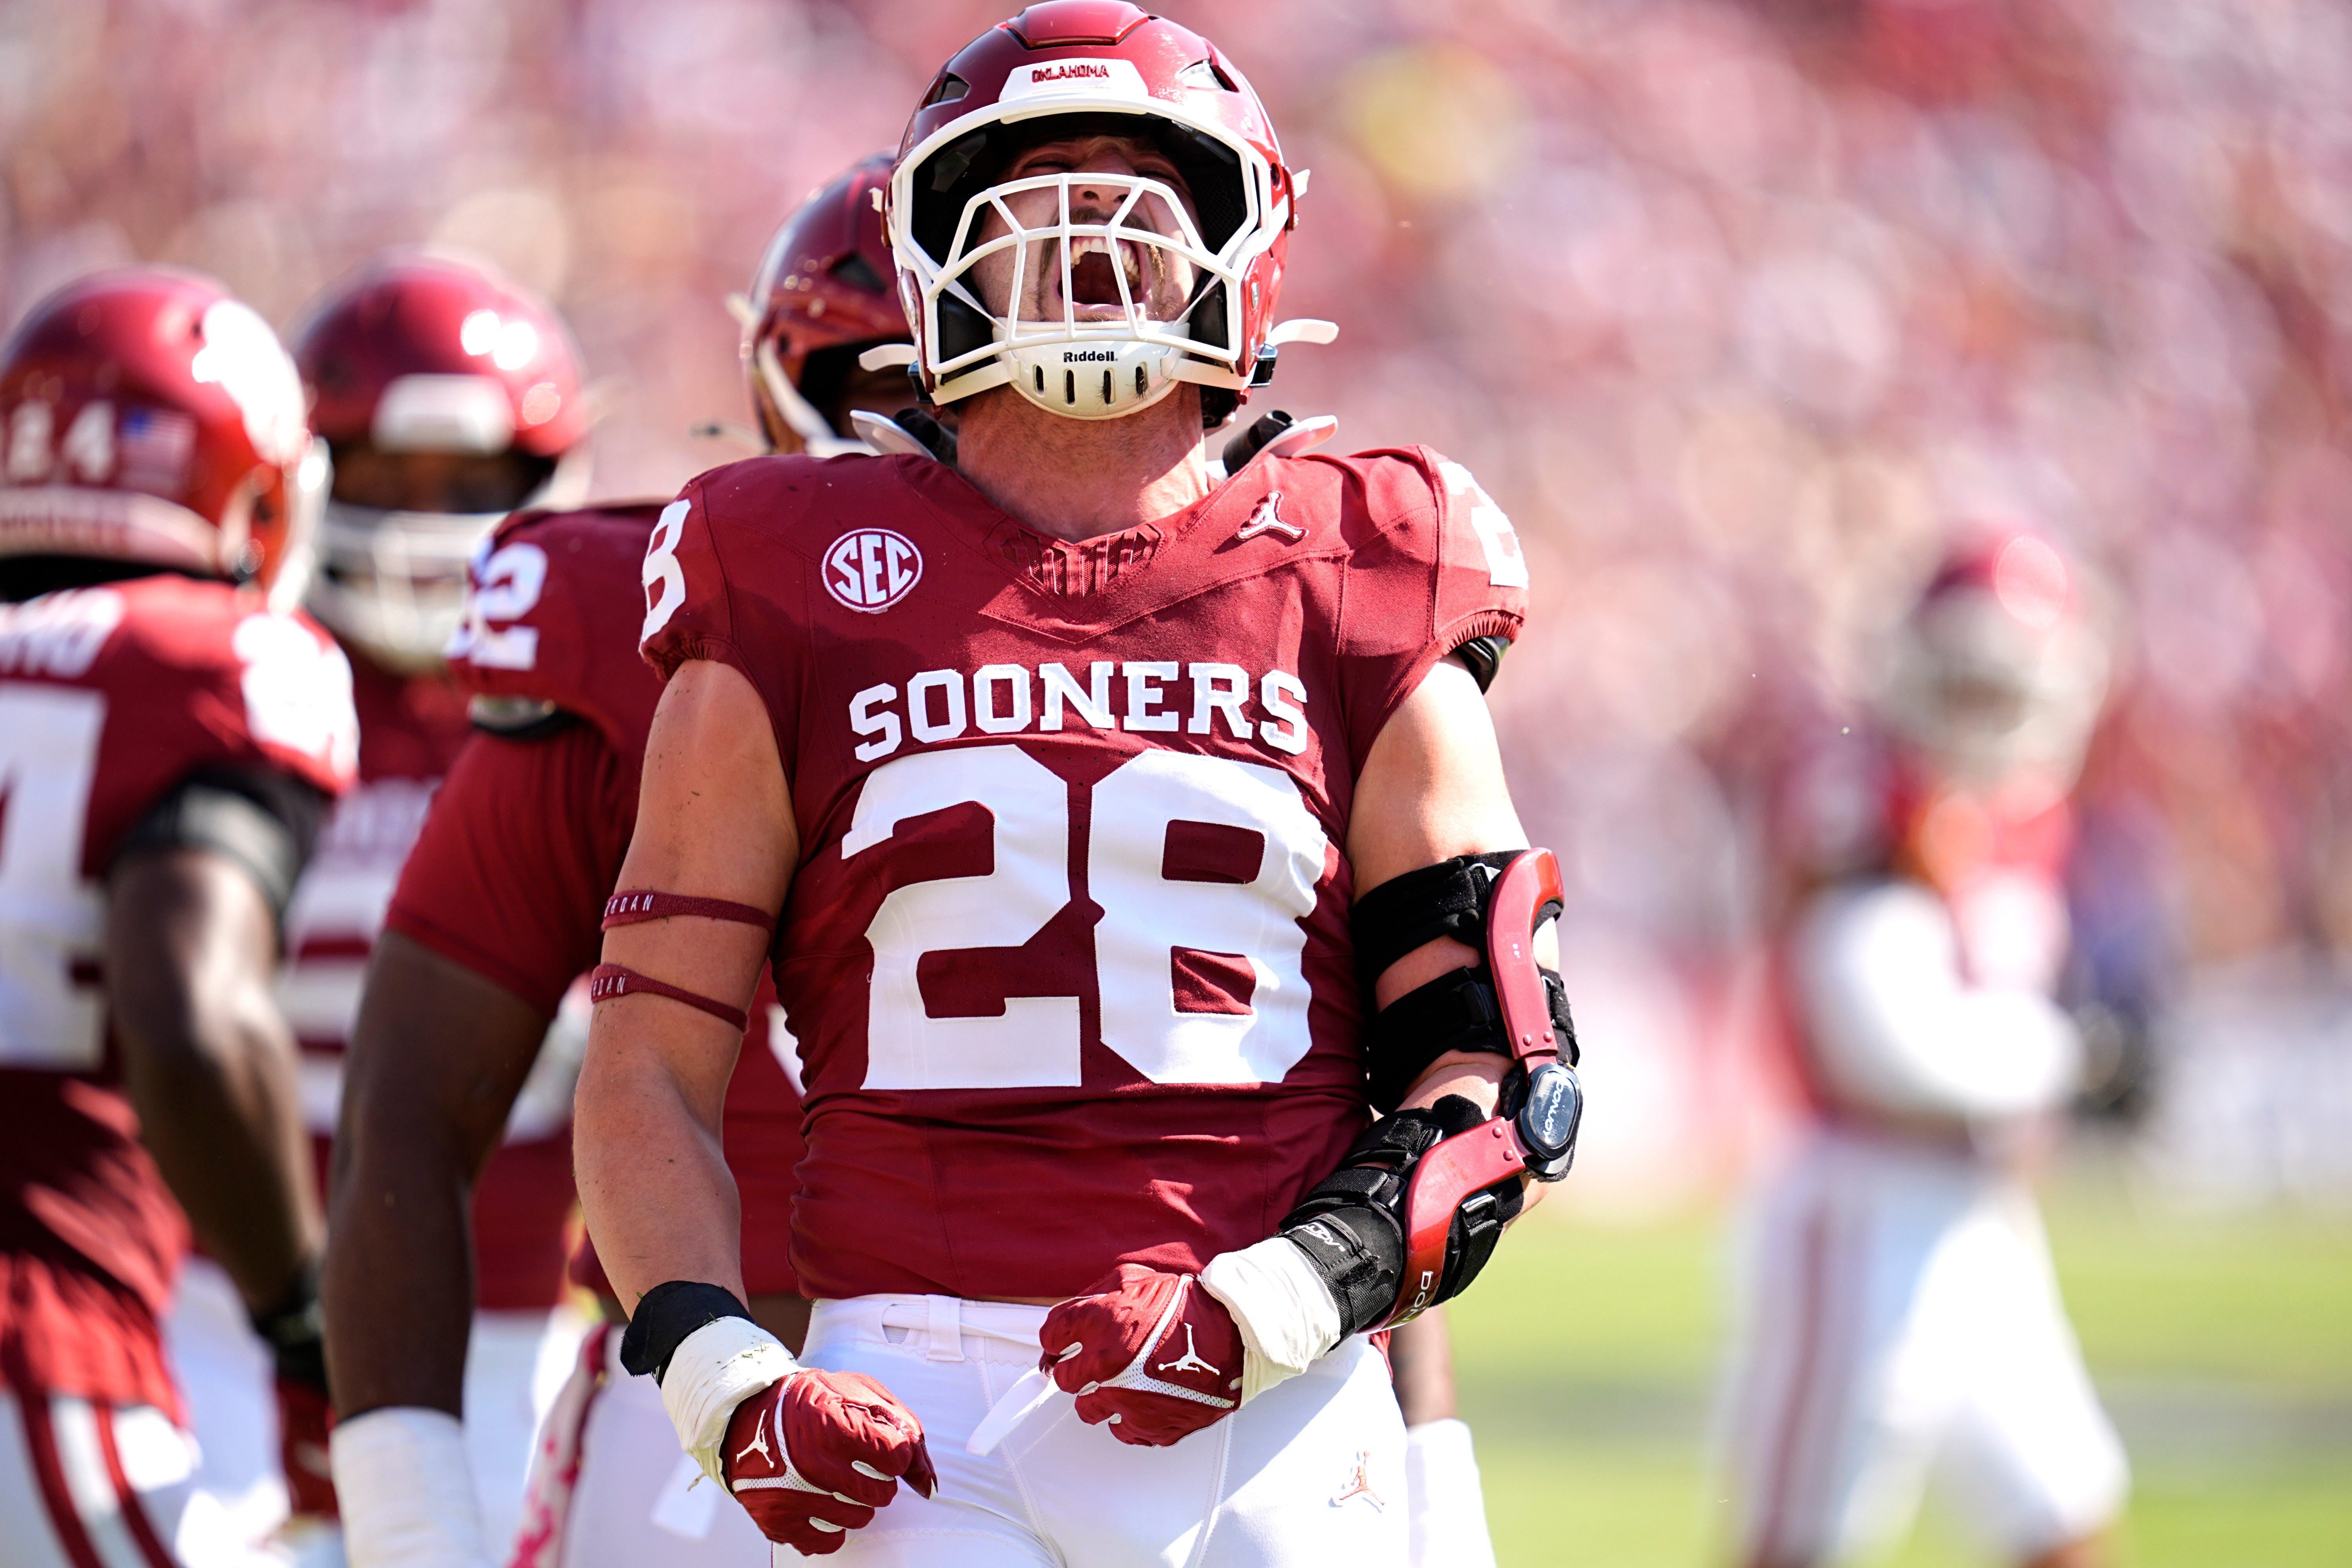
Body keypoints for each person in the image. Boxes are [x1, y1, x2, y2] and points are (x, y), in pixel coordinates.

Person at [574, 6, 1584, 1564]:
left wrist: (1279, 1295)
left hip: (1279, 1394)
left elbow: (1501, 1070)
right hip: (903, 1396)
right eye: (1030, 194)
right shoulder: (783, 567)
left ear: (1244, 244)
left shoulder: (1362, 554)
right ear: (928, 249)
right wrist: (720, 1370)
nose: (1089, 241)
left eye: (1143, 195)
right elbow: (648, 1056)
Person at [322, 155, 927, 1568]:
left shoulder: (1202, 639)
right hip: (709, 1426)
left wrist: (1414, 1456)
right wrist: (414, 1523)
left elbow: (1333, 1106)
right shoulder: (642, 627)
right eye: (879, 385)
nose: (927, 435)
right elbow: (407, 1102)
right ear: (781, 382)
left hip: (1109, 1408)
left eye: (964, 381)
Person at [161, 250, 601, 1553]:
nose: (424, 520)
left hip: (519, 1308)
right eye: (387, 479)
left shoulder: (600, 702)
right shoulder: (233, 680)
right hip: (222, 1304)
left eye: (470, 485)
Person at [0, 267, 359, 1565]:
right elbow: (192, 1013)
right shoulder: (215, 657)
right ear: (253, 494)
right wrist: (305, 1322)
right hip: (41, 1340)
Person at [1719, 528, 2129, 1568]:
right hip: (1862, 1211)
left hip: (1983, 1216)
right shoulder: (1870, 797)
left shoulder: (2023, 810)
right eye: (1970, 678)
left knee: (2064, 1520)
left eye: (2013, 682)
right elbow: (1885, 1044)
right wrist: (2075, 1059)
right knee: (1804, 1545)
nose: (1991, 708)